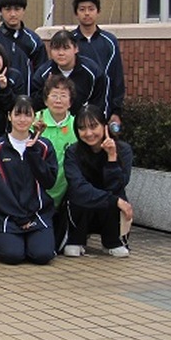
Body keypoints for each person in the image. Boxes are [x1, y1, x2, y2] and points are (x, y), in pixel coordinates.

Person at [0, 95, 59, 265]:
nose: (22, 120)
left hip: (37, 214)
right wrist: (19, 217)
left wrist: (34, 155)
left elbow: (49, 182)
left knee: (42, 256)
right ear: (9, 116)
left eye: (27, 114)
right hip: (7, 216)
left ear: (34, 117)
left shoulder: (44, 146)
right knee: (12, 256)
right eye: (18, 114)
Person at [62, 105, 133, 258]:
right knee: (78, 196)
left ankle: (112, 241)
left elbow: (118, 186)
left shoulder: (123, 150)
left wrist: (112, 158)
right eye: (82, 128)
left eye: (94, 126)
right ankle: (76, 239)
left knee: (117, 196)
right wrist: (114, 201)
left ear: (104, 126)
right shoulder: (72, 152)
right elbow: (78, 187)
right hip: (82, 208)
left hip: (109, 211)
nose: (88, 133)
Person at [33, 75, 78, 251]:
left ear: (71, 101)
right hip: (37, 194)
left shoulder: (77, 125)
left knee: (58, 248)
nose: (58, 100)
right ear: (45, 99)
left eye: (63, 95)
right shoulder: (34, 121)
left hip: (65, 192)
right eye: (54, 95)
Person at [69, 0, 125, 129]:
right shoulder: (69, 41)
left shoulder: (109, 42)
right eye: (82, 9)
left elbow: (116, 77)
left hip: (103, 109)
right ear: (76, 13)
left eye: (91, 9)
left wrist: (116, 111)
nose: (87, 13)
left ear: (98, 11)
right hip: (72, 112)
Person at [30, 30, 108, 117]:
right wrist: (46, 89)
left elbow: (99, 104)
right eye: (56, 49)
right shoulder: (43, 74)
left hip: (82, 123)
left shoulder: (93, 72)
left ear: (76, 49)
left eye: (66, 48)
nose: (61, 53)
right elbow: (35, 105)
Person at [0, 0, 47, 95]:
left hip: (26, 99)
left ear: (23, 11)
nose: (13, 14)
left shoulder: (34, 41)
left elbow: (41, 72)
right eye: (8, 9)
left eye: (17, 9)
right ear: (1, 11)